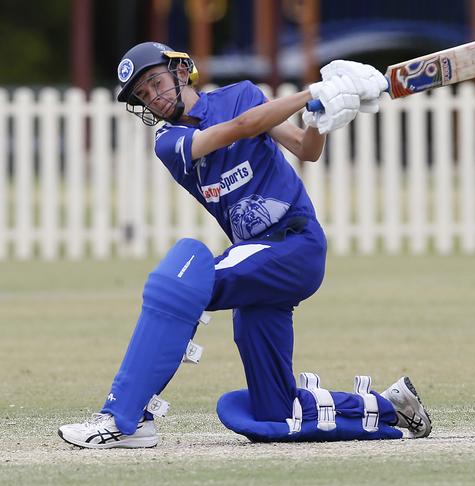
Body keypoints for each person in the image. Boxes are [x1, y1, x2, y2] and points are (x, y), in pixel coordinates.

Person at [58, 42, 431, 448]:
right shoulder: (170, 142)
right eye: (142, 95)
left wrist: (319, 118)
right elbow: (239, 129)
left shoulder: (241, 96)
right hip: (258, 264)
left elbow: (306, 150)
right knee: (275, 411)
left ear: (181, 71)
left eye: (154, 82)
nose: (153, 97)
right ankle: (392, 406)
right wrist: (313, 93)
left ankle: (125, 417)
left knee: (179, 282)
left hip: (293, 245)